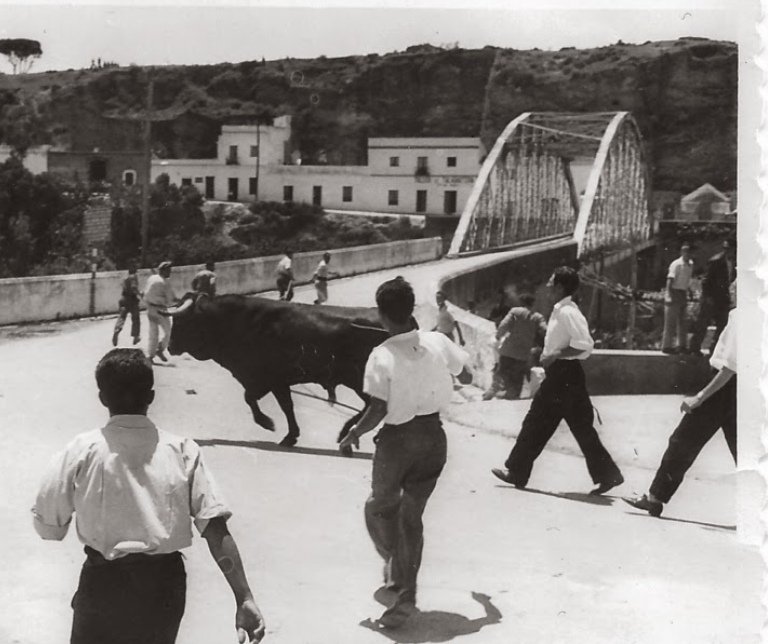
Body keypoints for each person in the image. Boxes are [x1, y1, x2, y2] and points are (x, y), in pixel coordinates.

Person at [31, 349, 266, 644]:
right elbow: (215, 527)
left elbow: (49, 527)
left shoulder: (80, 451)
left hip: (103, 583)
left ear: (103, 397)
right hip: (163, 588)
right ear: (151, 396)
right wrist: (244, 597)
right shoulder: (182, 450)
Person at [338, 277, 468, 629]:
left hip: (397, 442)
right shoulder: (438, 340)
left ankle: (399, 581)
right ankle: (402, 589)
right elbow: (467, 375)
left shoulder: (381, 354)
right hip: (434, 436)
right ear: (411, 309)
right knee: (411, 518)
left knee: (379, 508)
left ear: (381, 315)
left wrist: (352, 433)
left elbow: (377, 409)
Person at [491, 266, 624, 495]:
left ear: (560, 286)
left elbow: (585, 345)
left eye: (552, 282)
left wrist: (555, 355)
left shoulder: (567, 312)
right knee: (576, 427)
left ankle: (517, 471)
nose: (548, 286)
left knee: (537, 422)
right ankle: (608, 474)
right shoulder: (560, 310)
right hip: (563, 375)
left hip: (565, 375)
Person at [623, 307, 737, 517]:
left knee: (683, 440)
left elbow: (730, 367)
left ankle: (655, 497)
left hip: (724, 387)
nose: (732, 285)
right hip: (739, 388)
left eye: (737, 279)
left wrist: (700, 397)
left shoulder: (743, 315)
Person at [483, 293, 547, 400]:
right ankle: (512, 398)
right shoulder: (537, 317)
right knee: (517, 380)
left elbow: (503, 325)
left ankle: (488, 395)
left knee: (500, 375)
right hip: (522, 354)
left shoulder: (515, 312)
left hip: (507, 351)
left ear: (521, 302)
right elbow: (545, 330)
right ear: (533, 304)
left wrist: (498, 336)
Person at [688, 239, 735, 355]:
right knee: (702, 324)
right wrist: (708, 297)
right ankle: (694, 348)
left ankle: (714, 350)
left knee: (723, 326)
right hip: (710, 298)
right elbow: (706, 281)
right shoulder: (716, 261)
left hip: (722, 300)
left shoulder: (734, 263)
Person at [661, 242, 694, 354]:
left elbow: (686, 279)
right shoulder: (676, 264)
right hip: (674, 292)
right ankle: (667, 346)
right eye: (685, 251)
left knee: (683, 322)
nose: (687, 254)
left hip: (682, 293)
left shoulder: (690, 264)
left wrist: (689, 291)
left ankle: (682, 346)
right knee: (670, 322)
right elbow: (670, 280)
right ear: (681, 252)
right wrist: (669, 295)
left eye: (689, 252)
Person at [144, 261, 177, 364]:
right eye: (168, 270)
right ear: (163, 270)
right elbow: (171, 300)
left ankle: (150, 356)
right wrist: (181, 301)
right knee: (169, 332)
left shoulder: (152, 278)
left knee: (153, 333)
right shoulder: (165, 283)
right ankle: (160, 349)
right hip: (161, 310)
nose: (170, 273)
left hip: (150, 308)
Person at [112, 263, 141, 347]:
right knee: (135, 318)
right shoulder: (133, 277)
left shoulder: (125, 278)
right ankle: (136, 336)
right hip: (132, 300)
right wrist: (140, 294)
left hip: (123, 299)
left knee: (122, 317)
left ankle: (117, 330)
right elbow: (133, 288)